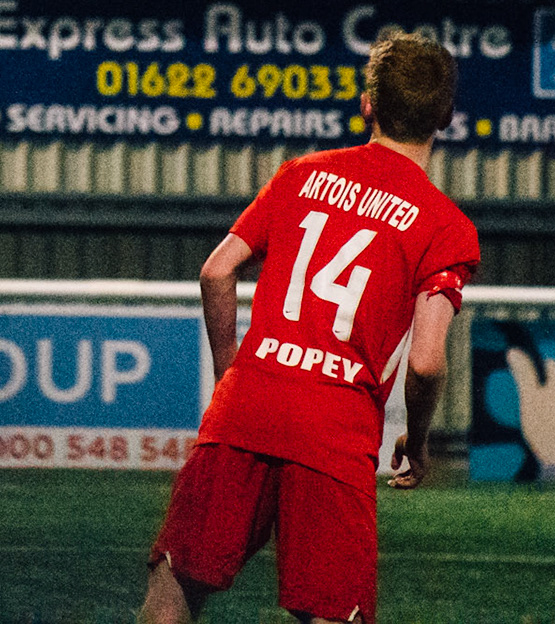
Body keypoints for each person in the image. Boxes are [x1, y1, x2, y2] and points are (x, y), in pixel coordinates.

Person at [140, 31, 481, 624]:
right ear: (446, 115)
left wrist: (230, 376)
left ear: (367, 105)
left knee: (175, 587)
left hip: (247, 407)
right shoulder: (446, 226)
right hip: (334, 431)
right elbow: (427, 363)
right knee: (330, 612)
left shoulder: (300, 175)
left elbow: (217, 271)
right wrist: (418, 440)